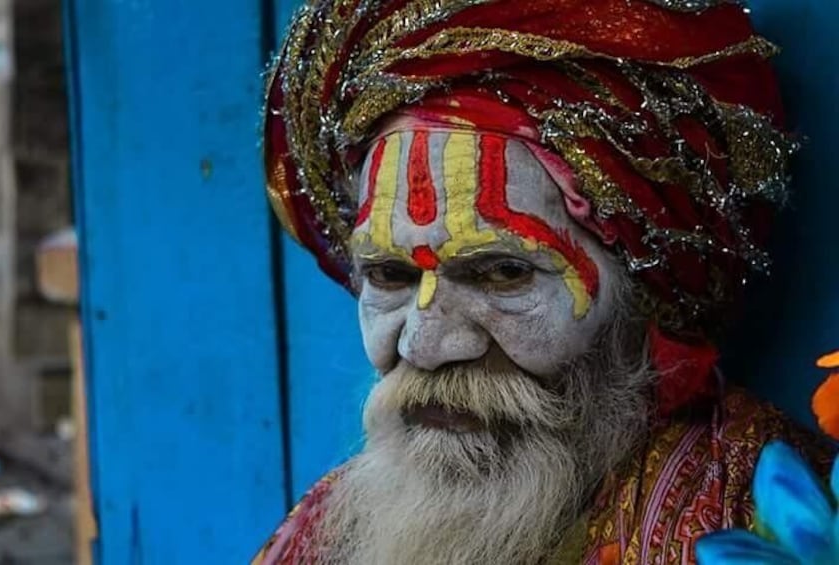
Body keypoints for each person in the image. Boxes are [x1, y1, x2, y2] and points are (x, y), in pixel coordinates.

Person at [253, 0, 837, 562]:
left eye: (504, 272)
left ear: (643, 290)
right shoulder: (326, 533)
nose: (423, 346)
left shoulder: (755, 519)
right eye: (389, 275)